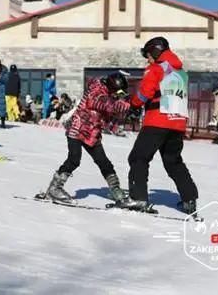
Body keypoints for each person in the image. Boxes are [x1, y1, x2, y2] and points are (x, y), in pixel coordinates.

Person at [118, 37, 199, 214]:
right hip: (177, 123)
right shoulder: (180, 72)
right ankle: (189, 199)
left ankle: (138, 198)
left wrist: (134, 105)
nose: (148, 59)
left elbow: (145, 92)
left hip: (157, 121)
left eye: (148, 55)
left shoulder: (156, 69)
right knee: (173, 161)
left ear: (155, 51)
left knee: (138, 158)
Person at [42, 73, 130, 204]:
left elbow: (107, 116)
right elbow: (102, 103)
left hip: (92, 133)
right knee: (74, 159)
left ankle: (115, 189)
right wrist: (125, 105)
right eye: (117, 92)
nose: (118, 95)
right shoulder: (96, 90)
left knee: (103, 162)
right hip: (77, 129)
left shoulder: (109, 95)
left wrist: (122, 118)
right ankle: (54, 189)